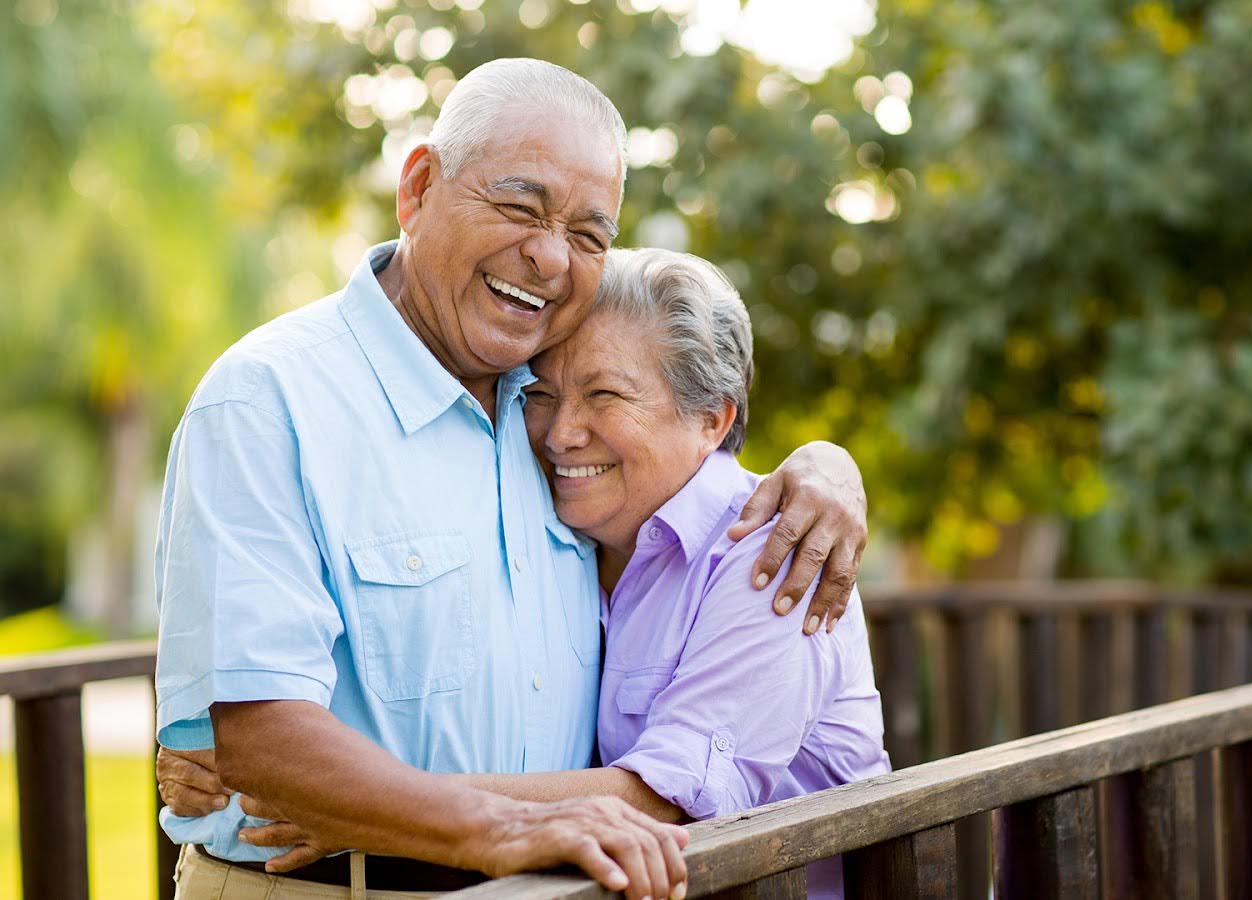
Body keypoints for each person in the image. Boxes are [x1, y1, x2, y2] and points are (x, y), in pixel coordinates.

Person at [153, 59, 868, 900]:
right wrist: (491, 826)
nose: (549, 257)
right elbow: (264, 740)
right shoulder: (268, 400)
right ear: (417, 188)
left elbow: (684, 449)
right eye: (519, 206)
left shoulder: (546, 421)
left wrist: (828, 466)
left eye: (589, 235)